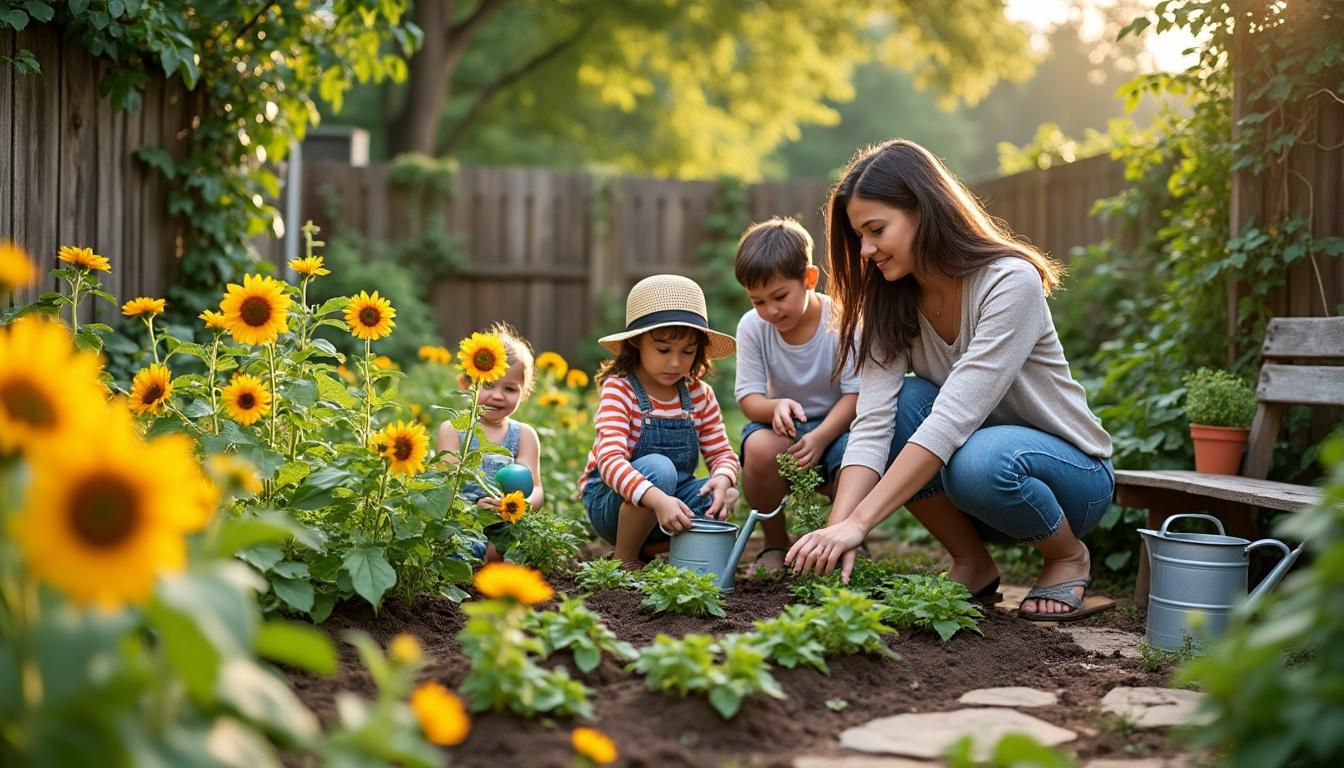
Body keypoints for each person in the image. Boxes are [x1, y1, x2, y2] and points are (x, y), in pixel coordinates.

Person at [784, 139, 1115, 621]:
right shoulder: (891, 299)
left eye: (877, 230)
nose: (866, 250)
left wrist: (861, 522)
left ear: (924, 211)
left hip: (1071, 481)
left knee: (979, 459)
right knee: (905, 404)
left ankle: (1067, 557)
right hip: (978, 487)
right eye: (859, 236)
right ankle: (972, 562)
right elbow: (873, 423)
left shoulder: (1008, 281)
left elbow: (952, 419)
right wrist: (836, 534)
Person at [579, 274, 741, 570]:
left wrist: (723, 478)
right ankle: (625, 558)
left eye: (688, 352)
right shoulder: (620, 389)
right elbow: (610, 461)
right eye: (664, 350)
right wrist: (656, 499)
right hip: (612, 503)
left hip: (670, 505)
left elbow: (722, 454)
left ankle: (649, 549)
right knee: (659, 468)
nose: (676, 363)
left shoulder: (699, 395)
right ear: (636, 342)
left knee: (724, 496)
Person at [733, 217, 859, 572]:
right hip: (784, 428)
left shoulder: (843, 320)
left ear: (809, 279)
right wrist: (774, 406)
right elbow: (748, 397)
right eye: (758, 301)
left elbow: (856, 394)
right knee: (758, 449)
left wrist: (821, 437)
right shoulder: (753, 327)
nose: (770, 311)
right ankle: (775, 543)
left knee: (856, 457)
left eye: (779, 297)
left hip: (839, 426)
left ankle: (844, 537)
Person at [437, 322, 544, 562]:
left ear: (524, 392)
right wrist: (473, 511)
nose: (497, 396)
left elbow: (536, 489)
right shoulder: (453, 430)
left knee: (524, 550)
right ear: (467, 383)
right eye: (488, 384)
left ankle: (496, 562)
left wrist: (519, 506)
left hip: (509, 523)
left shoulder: (524, 435)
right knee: (455, 551)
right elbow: (445, 489)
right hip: (464, 524)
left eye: (510, 389)